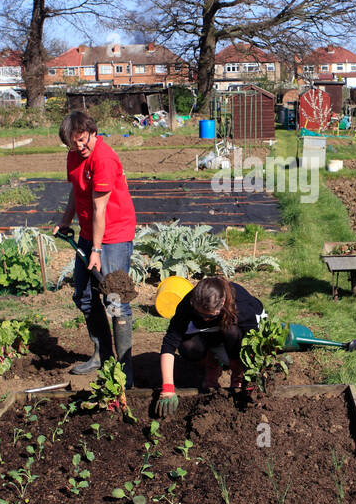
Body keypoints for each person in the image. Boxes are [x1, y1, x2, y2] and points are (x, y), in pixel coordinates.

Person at [51, 110, 137, 387]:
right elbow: (77, 192)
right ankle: (102, 356)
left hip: (113, 235)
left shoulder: (104, 158)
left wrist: (96, 250)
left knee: (114, 299)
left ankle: (125, 369)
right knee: (85, 296)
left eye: (83, 140)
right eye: (73, 143)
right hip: (90, 234)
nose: (79, 147)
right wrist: (65, 221)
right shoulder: (74, 156)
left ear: (92, 132)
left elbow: (100, 209)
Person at [154, 276, 265, 416]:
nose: (205, 318)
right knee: (188, 347)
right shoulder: (188, 303)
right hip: (206, 334)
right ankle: (211, 363)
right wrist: (167, 388)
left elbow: (252, 342)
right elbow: (169, 344)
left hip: (234, 333)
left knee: (232, 332)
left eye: (210, 316)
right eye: (200, 314)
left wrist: (251, 378)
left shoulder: (241, 306)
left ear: (222, 302)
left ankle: (237, 374)